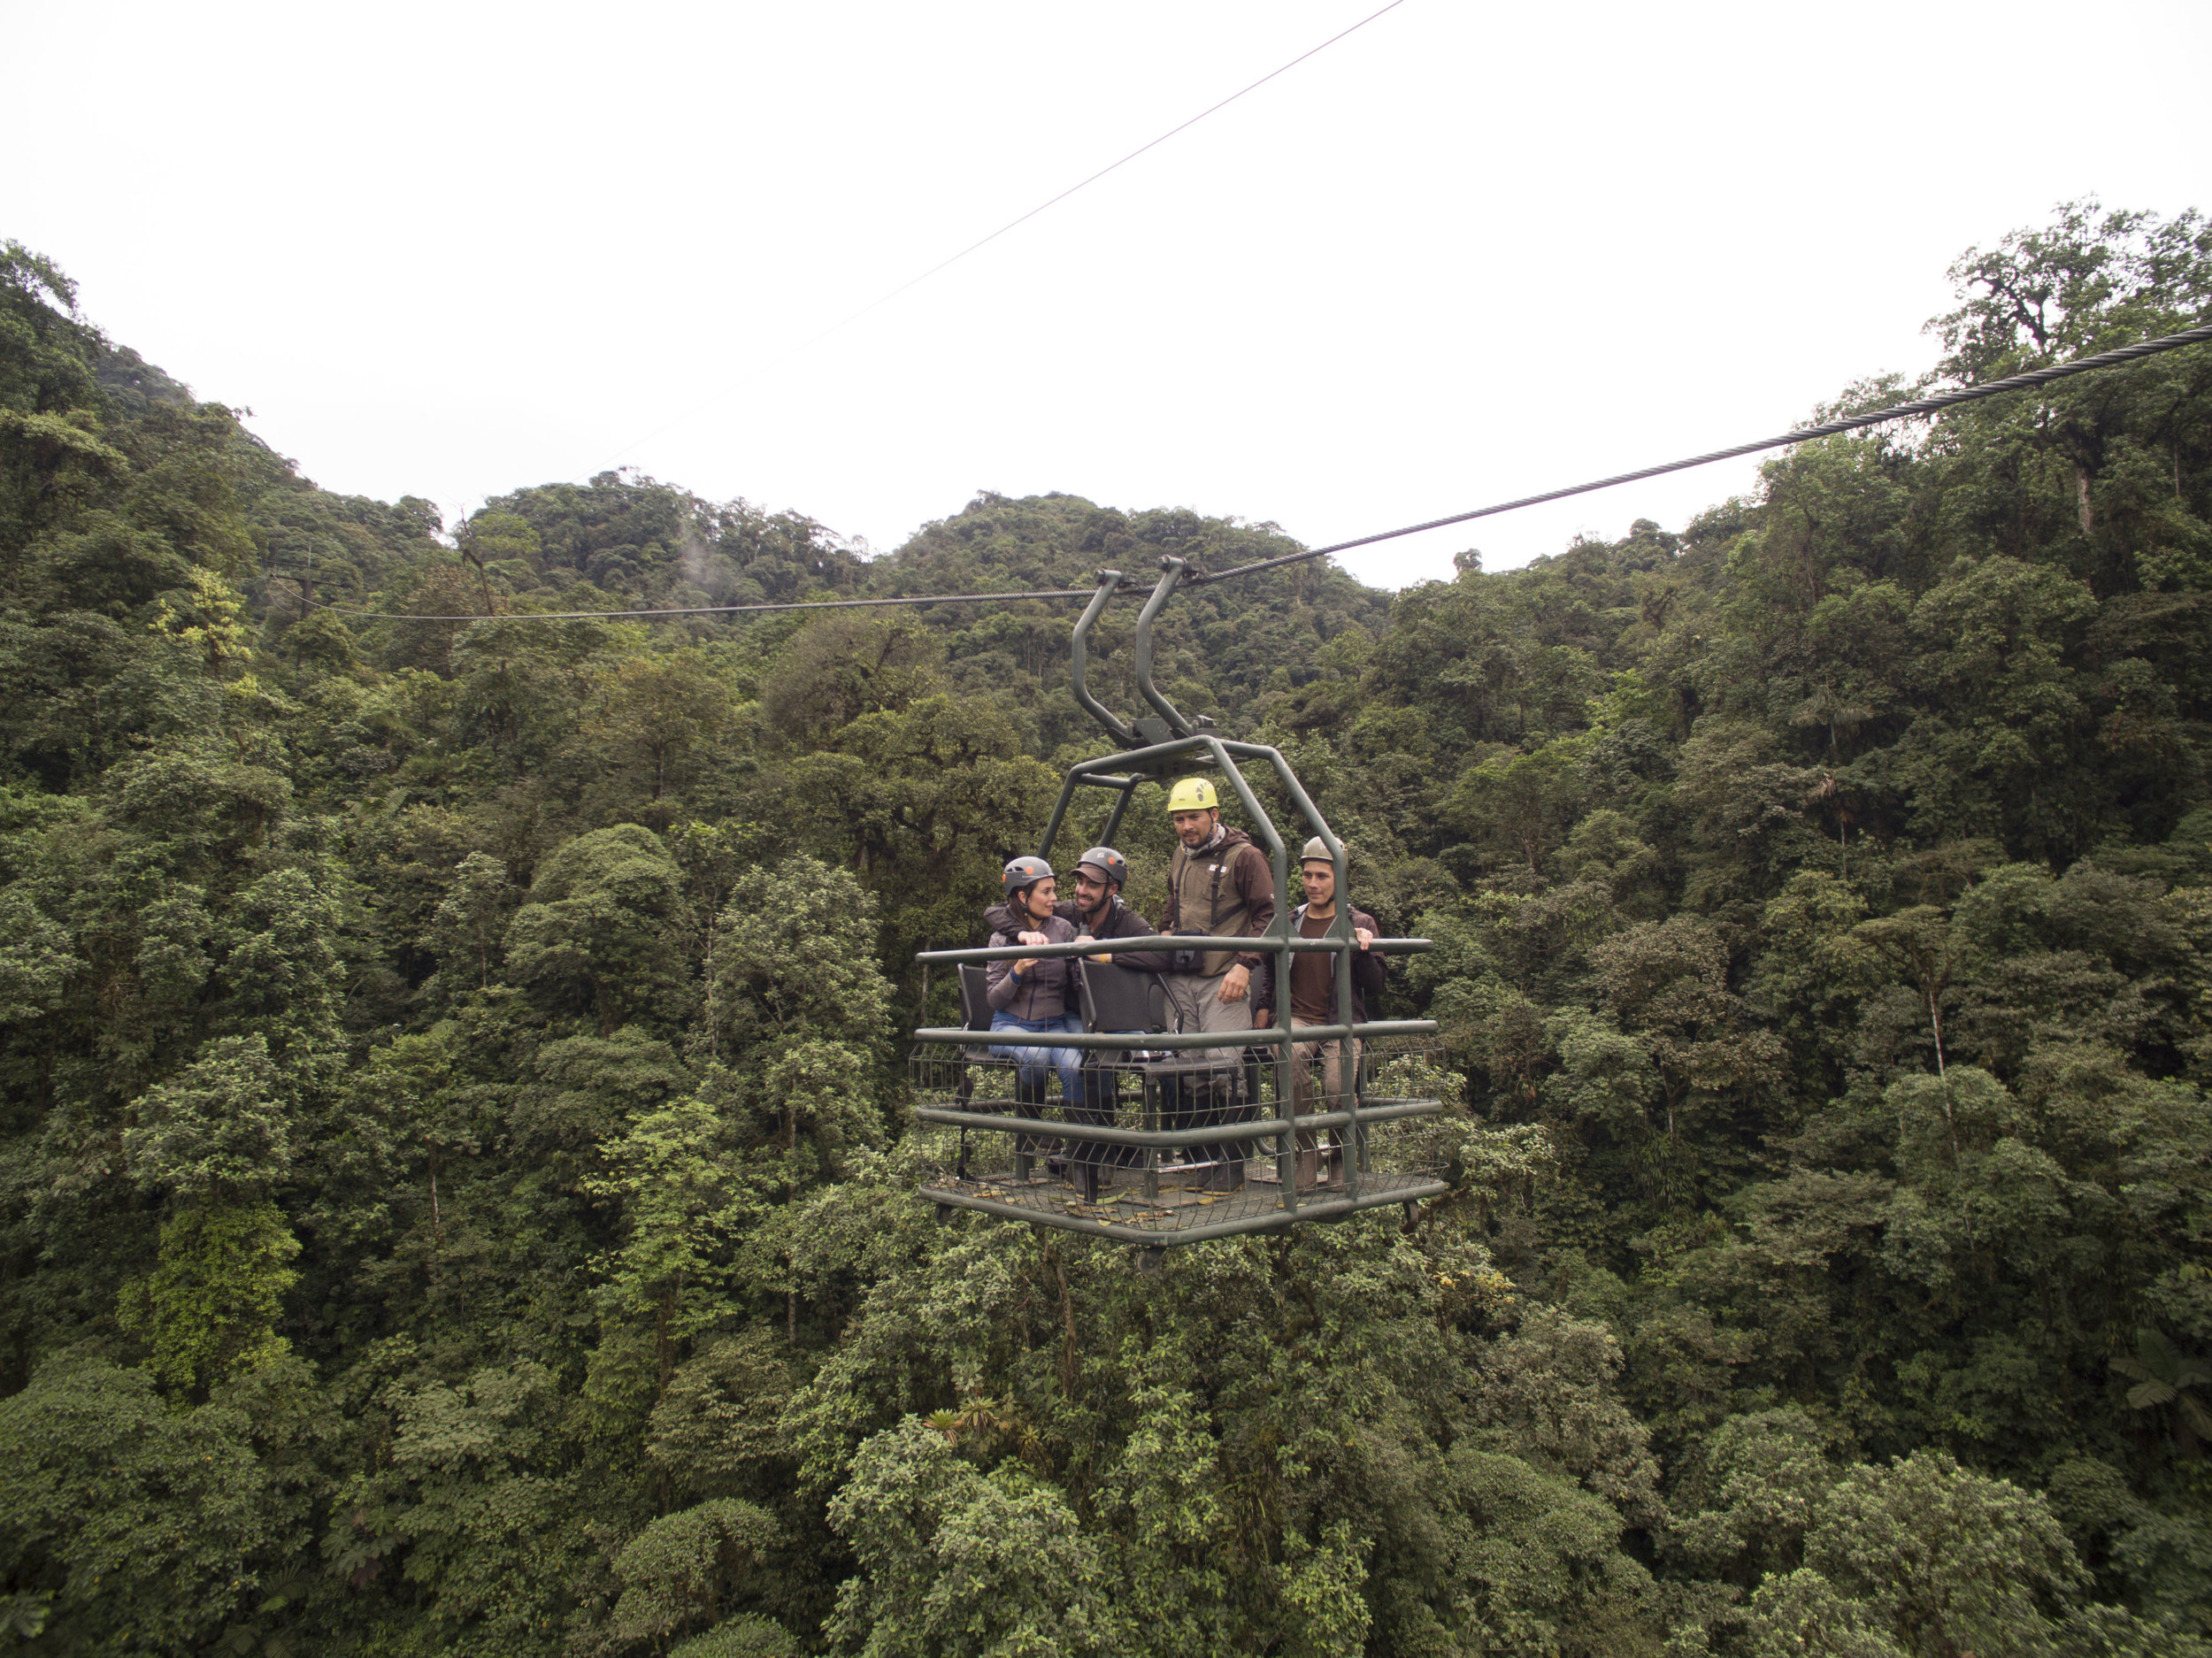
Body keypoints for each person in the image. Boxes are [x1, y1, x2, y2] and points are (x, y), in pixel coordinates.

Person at [1157, 779, 1278, 1186]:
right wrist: (1164, 933)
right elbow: (1175, 904)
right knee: (1190, 1070)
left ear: (1214, 814)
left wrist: (1245, 965)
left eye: (1193, 816)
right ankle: (1201, 1163)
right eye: (1179, 818)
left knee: (1226, 1066)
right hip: (1183, 977)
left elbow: (1268, 917)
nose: (1186, 826)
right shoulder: (1180, 856)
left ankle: (1231, 1166)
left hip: (1224, 977)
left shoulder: (1246, 857)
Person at [1254, 837, 1386, 1186]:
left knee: (1337, 1086)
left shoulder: (1360, 921)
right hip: (1296, 1018)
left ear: (1339, 878)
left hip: (1341, 1021)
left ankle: (1341, 1157)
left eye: (1322, 876)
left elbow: (1375, 985)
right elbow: (1270, 971)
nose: (1313, 883)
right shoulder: (1291, 920)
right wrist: (1263, 1012)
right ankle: (1306, 1153)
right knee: (1290, 1063)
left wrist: (1360, 949)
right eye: (1308, 875)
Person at [984, 856, 1084, 1121]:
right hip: (1011, 1025)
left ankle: (1079, 1144)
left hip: (1055, 1026)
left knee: (1075, 1066)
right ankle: (1032, 1132)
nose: (1054, 898)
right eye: (1046, 892)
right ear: (1023, 896)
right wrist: (1017, 971)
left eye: (1054, 890)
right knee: (1035, 1056)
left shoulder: (1063, 929)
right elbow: (994, 999)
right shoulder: (1001, 938)